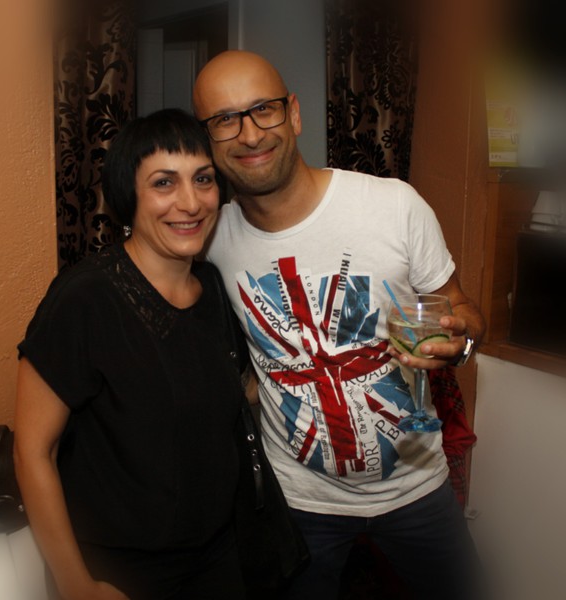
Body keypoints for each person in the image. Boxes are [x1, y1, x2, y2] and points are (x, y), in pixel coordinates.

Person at [193, 50, 487, 599]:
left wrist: (460, 340)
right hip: (299, 503)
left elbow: (463, 309)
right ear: (207, 138)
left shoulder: (393, 206)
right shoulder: (209, 237)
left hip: (418, 490)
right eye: (225, 119)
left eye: (263, 109)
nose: (249, 134)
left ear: (294, 113)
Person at [13, 108, 248, 600]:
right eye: (164, 183)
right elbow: (34, 451)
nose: (191, 202)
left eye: (203, 179)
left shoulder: (212, 287)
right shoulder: (86, 298)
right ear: (128, 196)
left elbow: (222, 400)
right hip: (118, 571)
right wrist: (75, 583)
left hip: (219, 558)